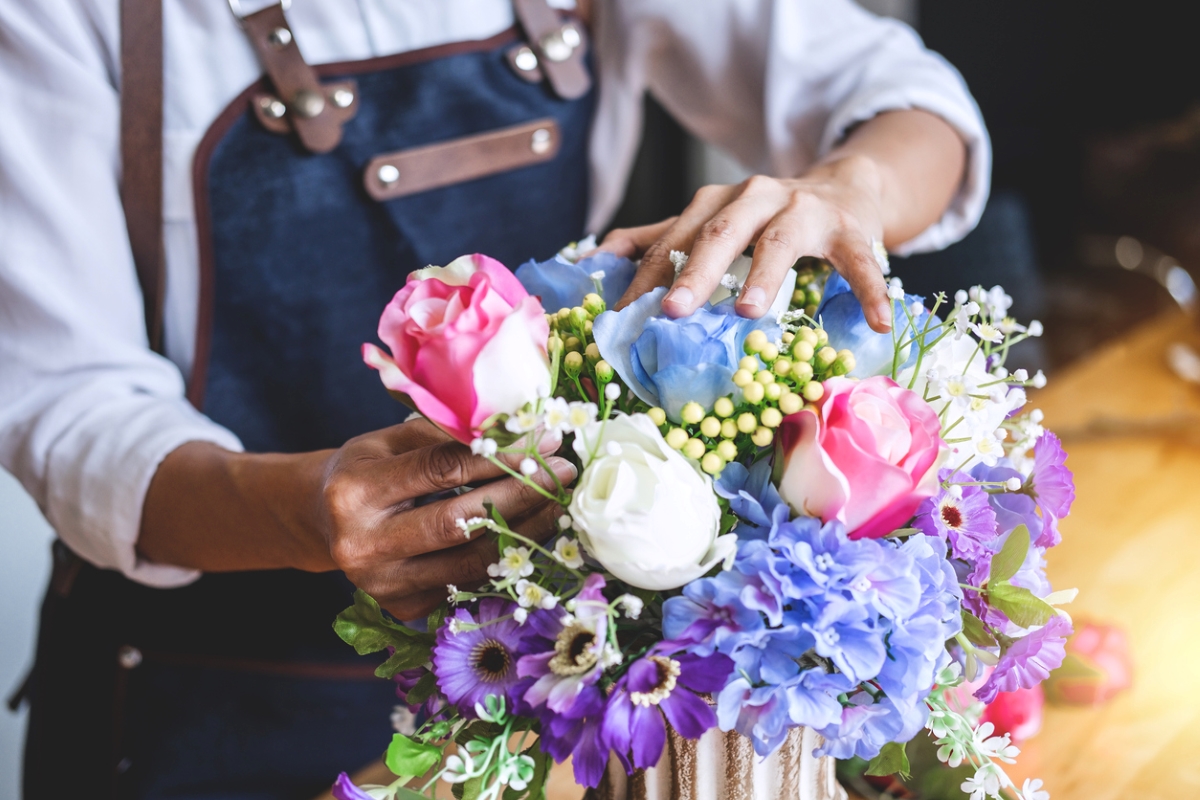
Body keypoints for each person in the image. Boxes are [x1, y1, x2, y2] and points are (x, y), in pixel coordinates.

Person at [0, 0, 988, 796]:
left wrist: (850, 186)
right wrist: (303, 512)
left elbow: (909, 102)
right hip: (192, 706)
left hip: (523, 707)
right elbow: (68, 402)